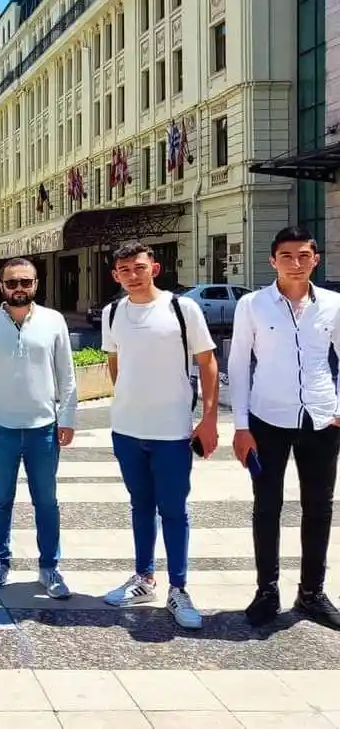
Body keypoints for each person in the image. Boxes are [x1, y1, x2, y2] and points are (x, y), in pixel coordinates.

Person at [101, 240, 219, 630]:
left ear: (154, 267)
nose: (132, 276)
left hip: (171, 431)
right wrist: (130, 402)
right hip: (127, 429)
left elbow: (207, 363)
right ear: (115, 275)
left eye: (138, 267)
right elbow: (115, 364)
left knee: (174, 510)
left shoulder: (182, 309)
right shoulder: (113, 311)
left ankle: (179, 588)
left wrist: (208, 418)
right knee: (140, 506)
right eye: (124, 271)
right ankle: (144, 577)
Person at [229, 226, 340, 628]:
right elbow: (239, 365)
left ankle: (312, 593)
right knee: (267, 507)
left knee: (319, 508)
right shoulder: (253, 306)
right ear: (273, 261)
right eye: (287, 256)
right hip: (266, 421)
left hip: (321, 421)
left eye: (304, 256)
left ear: (316, 259)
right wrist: (241, 427)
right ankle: (267, 591)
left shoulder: (332, 304)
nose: (296, 264)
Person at [0, 258, 78, 598]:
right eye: (12, 282)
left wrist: (68, 418)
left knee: (46, 501)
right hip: (0, 427)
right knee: (0, 500)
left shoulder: (53, 321)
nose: (19, 289)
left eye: (26, 283)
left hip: (43, 428)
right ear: (2, 287)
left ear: (36, 284)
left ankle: (49, 567)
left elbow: (67, 377)